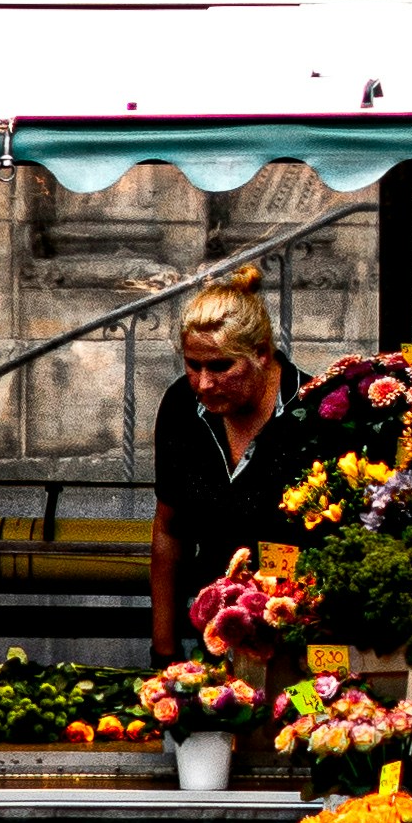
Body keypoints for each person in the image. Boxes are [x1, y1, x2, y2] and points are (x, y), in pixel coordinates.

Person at [147, 274, 320, 657]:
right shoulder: (181, 408)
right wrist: (163, 651)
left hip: (300, 638)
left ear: (260, 353)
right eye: (193, 365)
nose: (204, 383)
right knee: (219, 713)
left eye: (221, 366)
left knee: (298, 710)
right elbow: (169, 528)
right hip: (214, 632)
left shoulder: (312, 412)